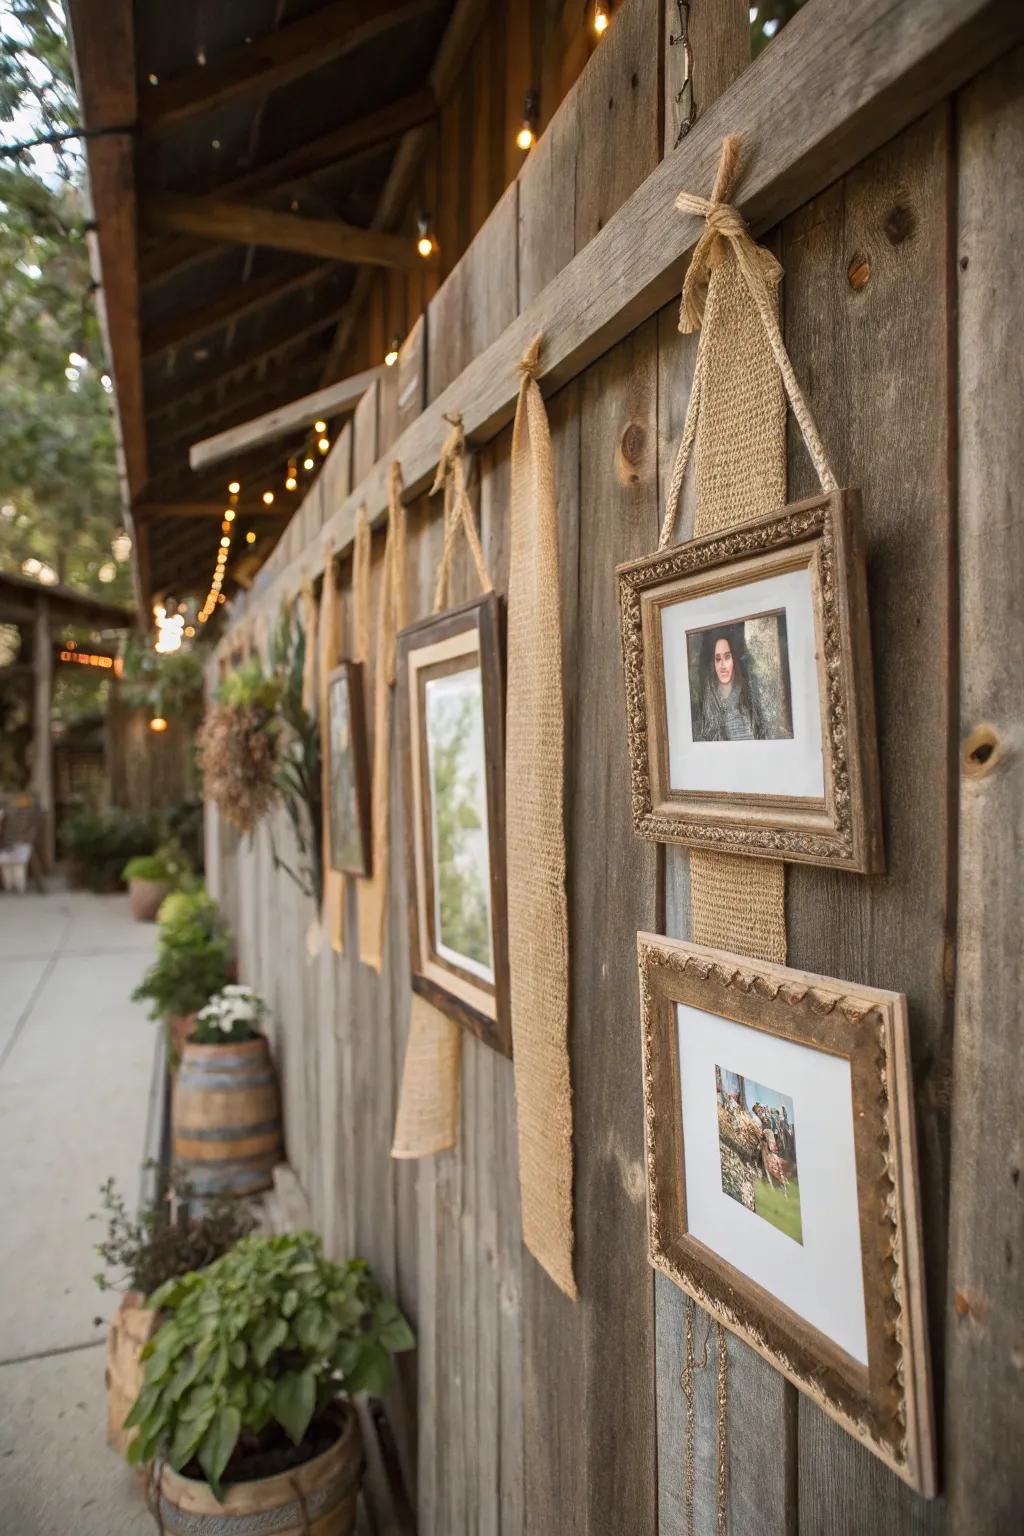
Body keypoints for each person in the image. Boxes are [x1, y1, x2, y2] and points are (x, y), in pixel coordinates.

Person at [695, 625, 767, 742]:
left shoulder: (749, 694)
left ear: (734, 658)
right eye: (718, 659)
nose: (723, 665)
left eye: (727, 657)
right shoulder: (707, 700)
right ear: (712, 663)